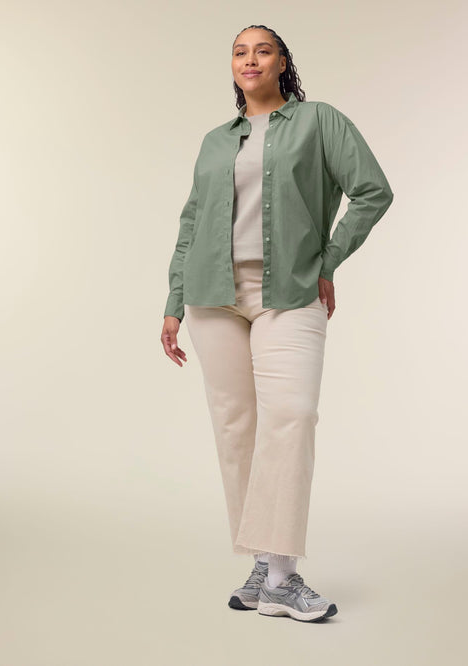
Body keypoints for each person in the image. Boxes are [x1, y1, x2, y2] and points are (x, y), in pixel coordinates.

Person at [160, 24, 394, 622]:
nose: (251, 59)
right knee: (236, 427)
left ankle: (282, 577)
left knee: (291, 415)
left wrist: (328, 261)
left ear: (283, 61)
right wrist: (174, 300)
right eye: (240, 52)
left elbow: (372, 190)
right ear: (232, 66)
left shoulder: (319, 121)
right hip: (213, 296)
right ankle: (264, 566)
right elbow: (191, 223)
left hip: (288, 292)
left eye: (263, 50)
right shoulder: (216, 141)